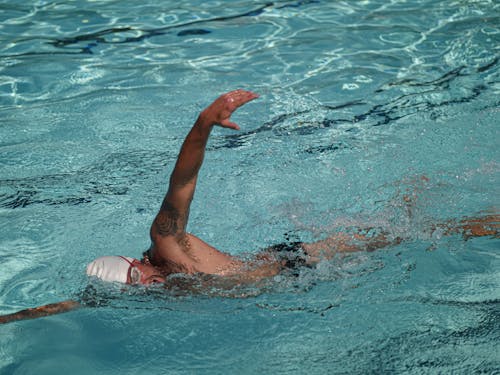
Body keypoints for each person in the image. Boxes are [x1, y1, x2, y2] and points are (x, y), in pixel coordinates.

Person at [1, 90, 498, 324]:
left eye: (137, 282)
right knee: (404, 229)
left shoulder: (165, 245)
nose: (145, 291)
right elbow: (74, 304)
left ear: (137, 266)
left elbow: (182, 183)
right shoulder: (148, 289)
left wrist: (202, 126)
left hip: (300, 263)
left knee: (422, 234)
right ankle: (414, 198)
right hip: (284, 279)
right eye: (133, 291)